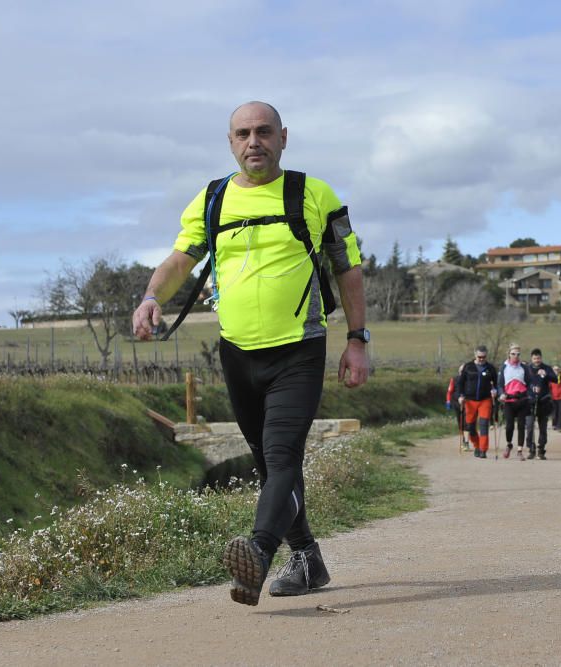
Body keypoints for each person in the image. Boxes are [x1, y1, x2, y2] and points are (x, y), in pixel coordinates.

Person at [132, 101, 368, 607]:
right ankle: (307, 556)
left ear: (284, 137)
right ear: (230, 141)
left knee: (282, 455)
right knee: (268, 464)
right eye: (243, 133)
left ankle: (258, 554)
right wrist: (153, 296)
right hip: (238, 353)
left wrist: (357, 339)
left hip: (299, 350)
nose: (253, 141)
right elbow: (180, 260)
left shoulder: (315, 194)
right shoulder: (212, 199)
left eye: (263, 132)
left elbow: (347, 267)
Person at [456, 346, 498, 459]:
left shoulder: (490, 368)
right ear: (475, 355)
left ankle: (483, 450)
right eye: (479, 357)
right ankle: (477, 445)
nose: (481, 359)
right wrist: (460, 396)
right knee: (470, 426)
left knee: (484, 425)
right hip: (470, 400)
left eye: (483, 357)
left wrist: (495, 391)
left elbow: (496, 383)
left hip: (485, 400)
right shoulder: (468, 367)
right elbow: (460, 383)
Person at [498, 344, 532, 460]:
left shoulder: (524, 367)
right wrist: (501, 393)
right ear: (509, 354)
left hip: (522, 400)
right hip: (509, 400)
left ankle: (519, 450)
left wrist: (532, 391)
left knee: (522, 425)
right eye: (513, 354)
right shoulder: (504, 367)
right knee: (509, 426)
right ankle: (509, 444)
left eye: (518, 354)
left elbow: (529, 382)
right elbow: (500, 384)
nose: (516, 356)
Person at [525, 349, 557, 460]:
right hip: (530, 401)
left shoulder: (547, 368)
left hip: (543, 401)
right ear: (531, 358)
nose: (537, 361)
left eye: (538, 358)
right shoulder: (527, 369)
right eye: (534, 358)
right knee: (529, 426)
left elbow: (556, 380)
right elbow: (523, 382)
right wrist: (531, 388)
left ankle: (541, 450)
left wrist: (547, 374)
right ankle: (531, 448)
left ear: (541, 358)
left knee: (542, 427)